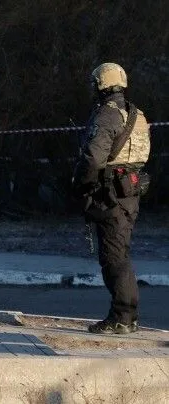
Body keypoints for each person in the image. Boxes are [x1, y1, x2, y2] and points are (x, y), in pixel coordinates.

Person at [72, 63, 151, 335]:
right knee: (120, 253)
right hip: (130, 194)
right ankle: (127, 315)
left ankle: (122, 316)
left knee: (114, 257)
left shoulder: (106, 115)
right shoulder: (137, 114)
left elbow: (94, 157)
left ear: (101, 85)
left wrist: (81, 184)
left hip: (110, 196)